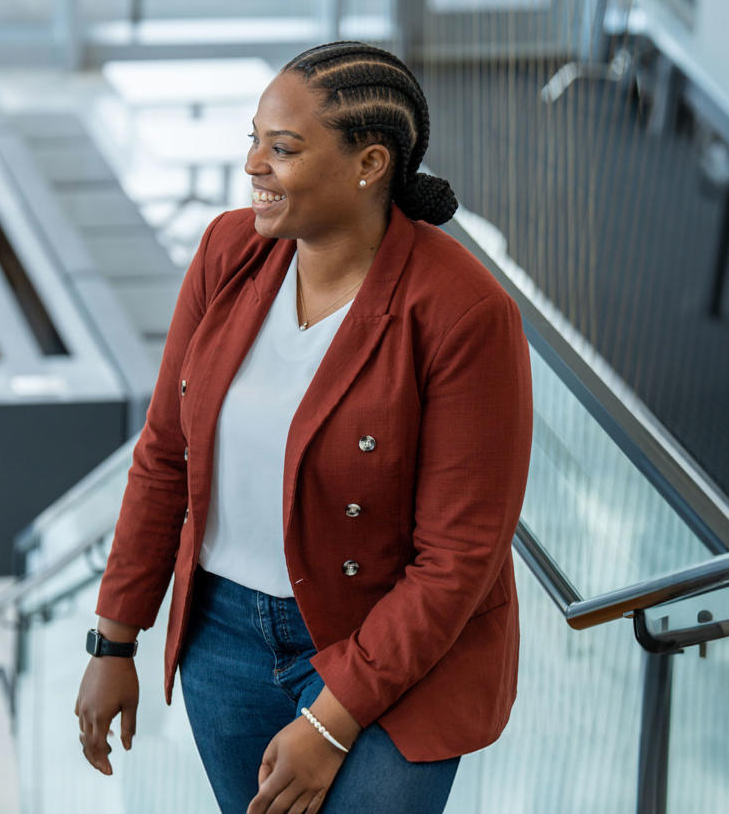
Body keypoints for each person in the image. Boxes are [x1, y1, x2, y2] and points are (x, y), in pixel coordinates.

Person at [75, 41, 534, 814]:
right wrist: (113, 640)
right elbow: (163, 454)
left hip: (395, 646)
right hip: (223, 638)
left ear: (369, 164)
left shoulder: (464, 313)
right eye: (252, 140)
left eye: (281, 149)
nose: (254, 164)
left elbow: (459, 559)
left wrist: (331, 721)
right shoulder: (230, 251)